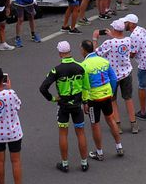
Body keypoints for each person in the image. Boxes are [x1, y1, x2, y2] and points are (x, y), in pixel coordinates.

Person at [39, 41, 90, 172]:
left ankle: (65, 164)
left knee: (63, 134)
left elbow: (43, 88)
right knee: (81, 133)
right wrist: (85, 102)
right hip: (77, 106)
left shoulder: (56, 70)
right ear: (70, 52)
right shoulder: (80, 67)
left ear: (60, 53)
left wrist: (52, 98)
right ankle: (84, 163)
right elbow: (86, 87)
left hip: (63, 107)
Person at [79, 39, 123, 160]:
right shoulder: (104, 61)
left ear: (83, 50)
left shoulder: (84, 65)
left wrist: (85, 101)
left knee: (95, 124)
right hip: (107, 95)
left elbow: (85, 86)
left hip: (94, 99)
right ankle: (119, 146)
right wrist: (111, 93)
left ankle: (99, 152)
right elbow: (113, 78)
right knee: (110, 119)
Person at [93, 20, 138, 133]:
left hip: (113, 75)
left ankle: (117, 125)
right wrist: (113, 36)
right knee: (128, 98)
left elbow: (96, 53)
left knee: (113, 100)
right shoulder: (128, 40)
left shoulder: (109, 43)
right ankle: (134, 124)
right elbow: (121, 43)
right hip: (127, 73)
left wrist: (95, 39)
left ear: (114, 30)